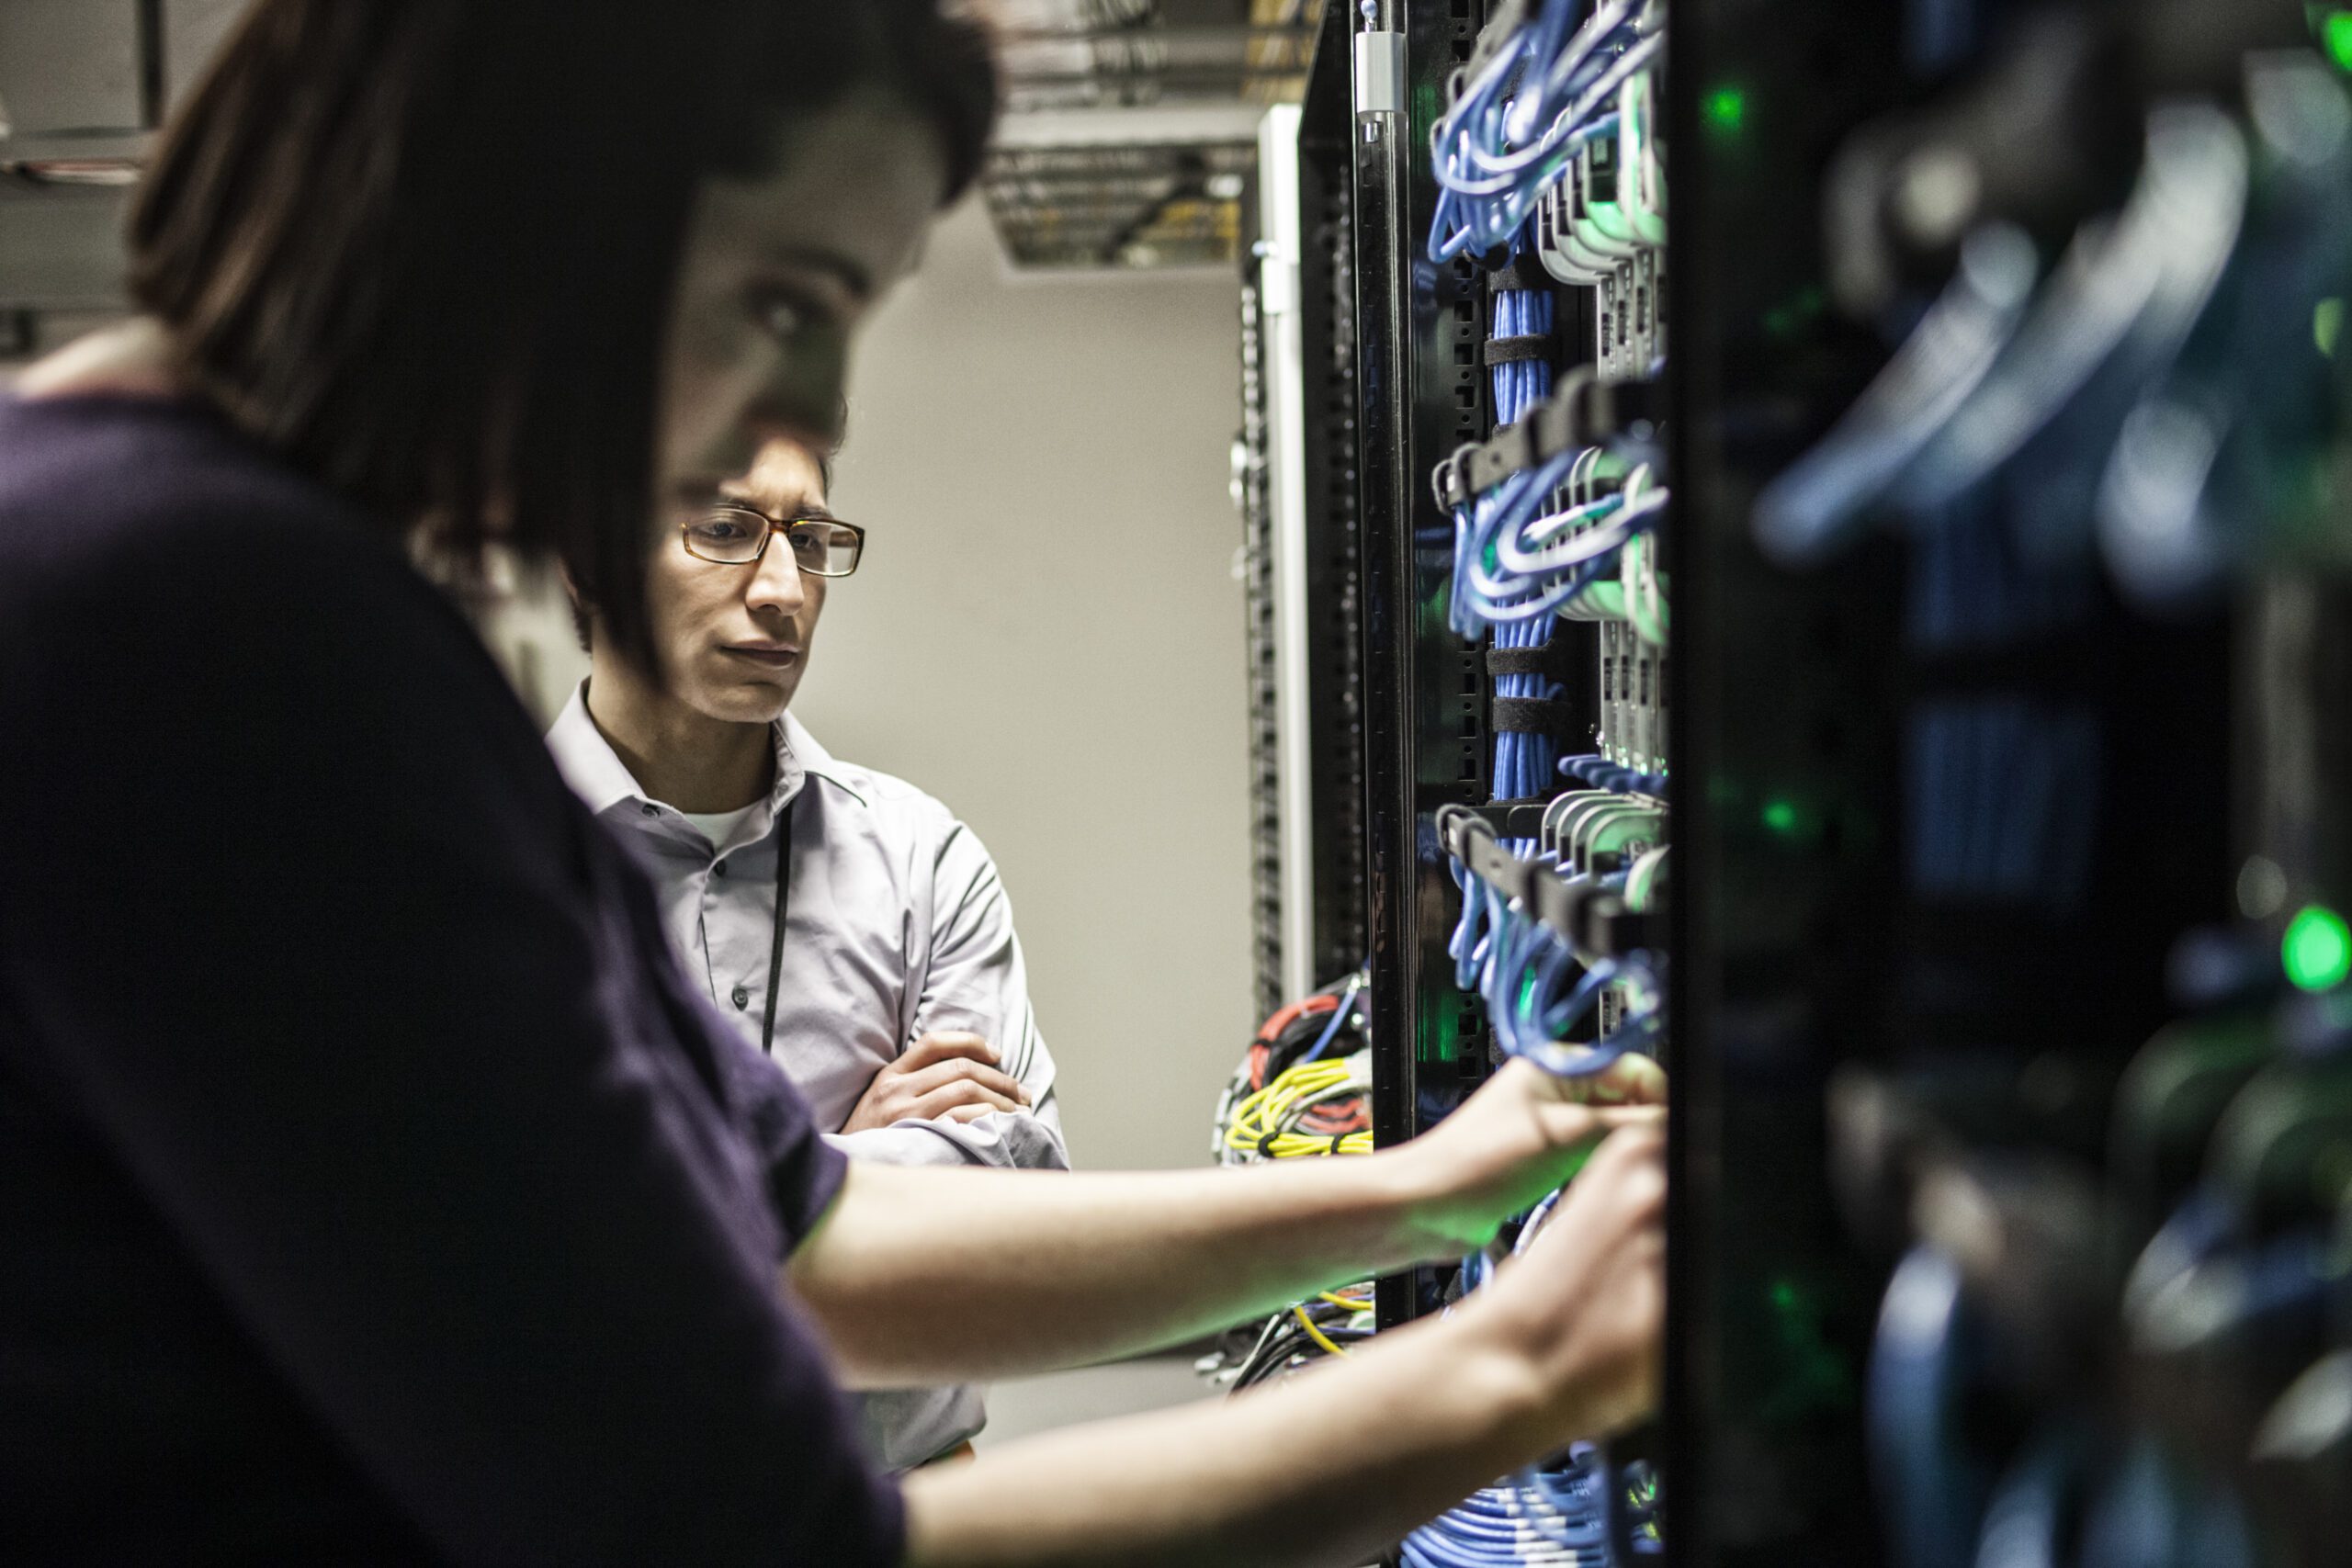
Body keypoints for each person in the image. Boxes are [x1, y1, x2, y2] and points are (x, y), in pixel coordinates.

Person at [0, 5, 1668, 1566]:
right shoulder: (200, 619)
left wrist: (1431, 1185)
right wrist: (1522, 1364)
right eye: (789, 303)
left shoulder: (230, 575)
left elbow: (821, 1246)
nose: (807, 417)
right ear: (546, 202)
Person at [550, 434, 1067, 1469]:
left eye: (812, 537)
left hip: (911, 1511)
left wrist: (697, 1204)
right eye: (728, 531)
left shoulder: (920, 857)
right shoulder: (492, 862)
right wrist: (839, 1162)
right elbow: (521, 1263)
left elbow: (1008, 1216)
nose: (785, 591)